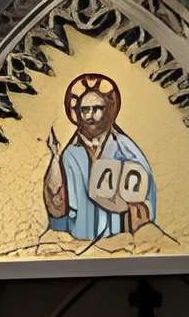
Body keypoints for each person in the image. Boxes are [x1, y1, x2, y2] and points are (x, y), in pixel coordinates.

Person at [40, 72, 156, 245]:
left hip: (118, 236)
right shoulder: (71, 153)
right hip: (81, 236)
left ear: (108, 110)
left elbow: (144, 189)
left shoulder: (125, 149)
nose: (90, 114)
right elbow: (59, 201)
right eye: (85, 109)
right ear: (77, 113)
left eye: (97, 108)